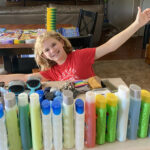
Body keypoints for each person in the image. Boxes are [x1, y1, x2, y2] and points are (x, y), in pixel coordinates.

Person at [0, 7, 150, 84]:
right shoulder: (51, 72)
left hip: (95, 100)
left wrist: (137, 24)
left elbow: (110, 45)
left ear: (62, 42)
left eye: (53, 44)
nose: (52, 50)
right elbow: (26, 77)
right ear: (43, 55)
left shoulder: (80, 55)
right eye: (46, 50)